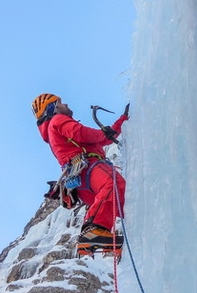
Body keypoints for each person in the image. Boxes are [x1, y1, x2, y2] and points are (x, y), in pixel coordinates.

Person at [31, 93, 128, 249]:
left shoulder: (55, 132)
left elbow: (103, 139)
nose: (66, 104)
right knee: (114, 185)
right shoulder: (58, 120)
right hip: (88, 168)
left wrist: (123, 121)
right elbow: (81, 133)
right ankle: (94, 231)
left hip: (81, 184)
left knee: (122, 202)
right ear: (53, 108)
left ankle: (95, 230)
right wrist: (105, 131)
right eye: (61, 103)